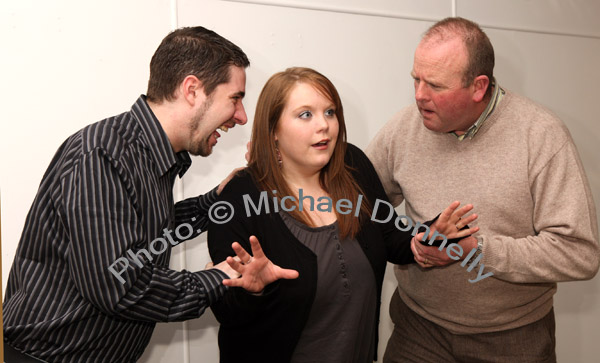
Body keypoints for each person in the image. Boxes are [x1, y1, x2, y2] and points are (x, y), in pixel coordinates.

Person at [2, 26, 298, 363]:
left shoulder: (144, 156)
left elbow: (149, 237)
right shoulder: (101, 154)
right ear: (192, 90)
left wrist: (220, 198)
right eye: (235, 98)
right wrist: (224, 277)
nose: (242, 117)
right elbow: (120, 286)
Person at [366, 17, 600, 363]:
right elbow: (360, 204)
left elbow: (579, 253)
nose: (419, 96)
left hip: (513, 338)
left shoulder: (542, 136)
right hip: (418, 331)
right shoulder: (403, 129)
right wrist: (414, 239)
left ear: (478, 87)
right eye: (416, 79)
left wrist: (478, 250)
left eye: (435, 85)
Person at [207, 67, 478, 363]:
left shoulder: (353, 165)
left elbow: (389, 238)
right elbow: (228, 309)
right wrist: (255, 292)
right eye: (305, 115)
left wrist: (427, 234)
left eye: (330, 112)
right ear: (273, 129)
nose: (324, 125)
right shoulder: (240, 196)